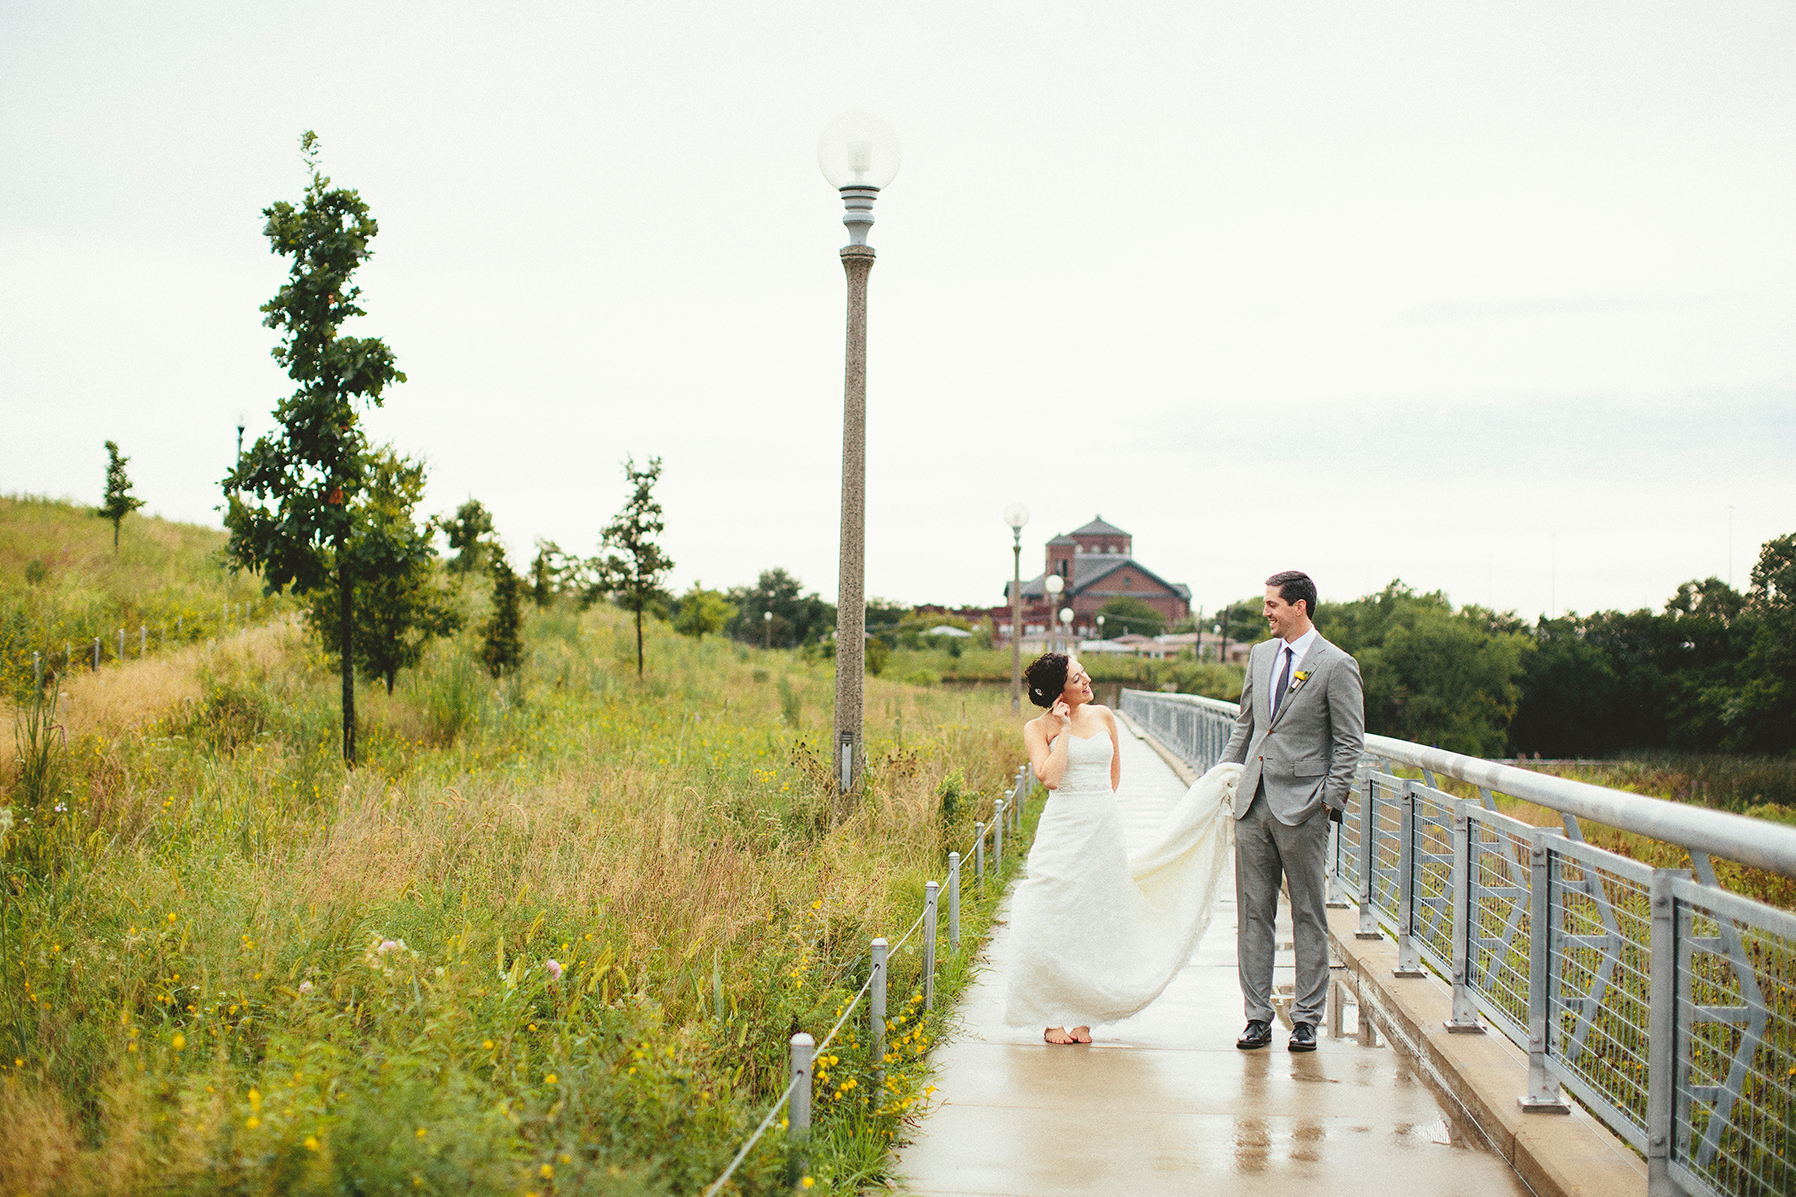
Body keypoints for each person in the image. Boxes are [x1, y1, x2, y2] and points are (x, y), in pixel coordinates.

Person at [1004, 653, 1241, 1044]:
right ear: (1059, 691)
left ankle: (1085, 1012)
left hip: (1102, 827)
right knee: (1052, 907)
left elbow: (1113, 776)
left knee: (1096, 914)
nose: (1087, 680)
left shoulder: (1105, 717)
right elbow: (1050, 778)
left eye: (1084, 674)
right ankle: (1050, 1016)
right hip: (1062, 828)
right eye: (1077, 678)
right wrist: (1063, 730)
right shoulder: (1037, 727)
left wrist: (1098, 811)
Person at [1220, 570, 1365, 1053]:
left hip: (1305, 807)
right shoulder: (1261, 657)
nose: (1266, 613)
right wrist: (1223, 778)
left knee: (1308, 911)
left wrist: (1329, 800)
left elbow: (1349, 742)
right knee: (1253, 913)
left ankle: (1306, 1019)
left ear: (1299, 606)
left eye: (1272, 605)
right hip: (1252, 802)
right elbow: (1246, 725)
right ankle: (1256, 1017)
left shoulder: (1337, 664)